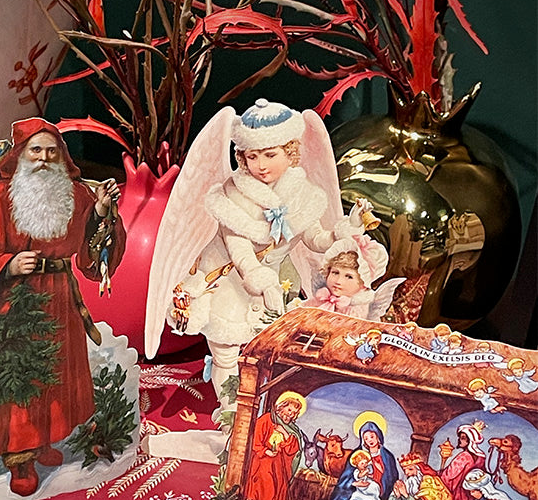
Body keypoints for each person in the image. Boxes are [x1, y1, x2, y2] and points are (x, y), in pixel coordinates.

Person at [144, 99, 379, 407]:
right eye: (252, 156)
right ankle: (229, 412)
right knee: (226, 348)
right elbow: (239, 250)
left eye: (270, 155)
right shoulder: (232, 195)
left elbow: (315, 239)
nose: (261, 165)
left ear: (290, 152)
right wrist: (260, 280)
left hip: (272, 287)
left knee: (265, 350)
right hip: (229, 282)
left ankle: (258, 408)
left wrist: (346, 228)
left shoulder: (302, 193)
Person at [0, 118, 126, 495]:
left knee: (53, 376)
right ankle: (19, 456)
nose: (44, 158)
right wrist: (7, 265)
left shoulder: (75, 194)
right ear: (20, 155)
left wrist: (101, 211)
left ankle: (42, 440)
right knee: (19, 378)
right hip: (12, 302)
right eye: (36, 150)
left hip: (58, 298)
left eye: (51, 151)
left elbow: (91, 252)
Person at [305, 418, 398, 500]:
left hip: (378, 494)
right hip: (356, 492)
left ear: (378, 436)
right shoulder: (358, 455)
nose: (369, 440)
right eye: (366, 438)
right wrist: (353, 484)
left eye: (372, 436)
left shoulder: (387, 457)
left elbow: (391, 478)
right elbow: (347, 477)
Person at [243, 391, 305, 500]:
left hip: (279, 466)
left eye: (294, 413)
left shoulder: (291, 429)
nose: (291, 414)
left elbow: (293, 449)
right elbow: (255, 441)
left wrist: (284, 432)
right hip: (263, 463)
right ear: (281, 407)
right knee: (266, 490)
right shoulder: (266, 419)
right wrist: (266, 451)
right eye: (289, 410)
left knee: (277, 492)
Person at [437, 421, 486, 500]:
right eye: (460, 437)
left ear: (470, 440)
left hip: (460, 497)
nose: (459, 440)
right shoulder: (481, 457)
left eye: (463, 438)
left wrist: (438, 474)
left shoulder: (464, 456)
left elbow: (448, 476)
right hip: (472, 498)